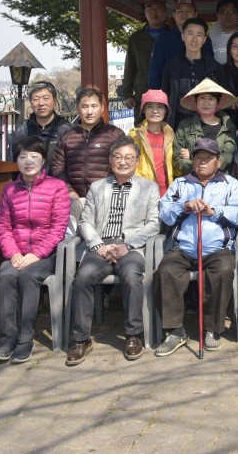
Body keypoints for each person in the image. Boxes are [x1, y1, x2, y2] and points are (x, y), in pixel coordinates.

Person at [65, 137, 161, 365]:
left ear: (137, 161)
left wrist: (126, 244)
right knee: (83, 277)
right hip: (101, 245)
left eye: (129, 157)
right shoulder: (98, 187)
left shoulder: (149, 187)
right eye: (117, 157)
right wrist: (99, 245)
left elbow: (154, 223)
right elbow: (85, 221)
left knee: (131, 275)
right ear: (110, 160)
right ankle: (81, 339)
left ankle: (133, 335)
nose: (123, 162)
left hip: (131, 246)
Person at [155, 139, 238, 356]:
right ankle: (175, 331)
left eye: (208, 158)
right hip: (184, 247)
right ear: (193, 160)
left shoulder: (231, 184)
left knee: (223, 270)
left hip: (218, 248)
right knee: (165, 271)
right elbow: (165, 214)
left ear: (218, 161)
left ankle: (213, 328)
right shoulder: (181, 183)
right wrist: (184, 206)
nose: (202, 162)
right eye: (198, 157)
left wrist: (215, 212)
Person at [0, 137, 70, 364]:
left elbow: (58, 228)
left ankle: (25, 340)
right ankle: (7, 339)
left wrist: (36, 254)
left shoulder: (57, 187)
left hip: (46, 253)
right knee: (6, 277)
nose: (28, 161)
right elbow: (3, 226)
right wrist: (13, 253)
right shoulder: (9, 189)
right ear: (16, 160)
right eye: (23, 156)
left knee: (28, 276)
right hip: (17, 252)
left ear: (43, 159)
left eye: (34, 156)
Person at [50, 86, 126, 215]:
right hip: (75, 200)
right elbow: (57, 168)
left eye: (94, 106)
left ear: (102, 108)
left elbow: (124, 166)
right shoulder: (67, 136)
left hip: (106, 198)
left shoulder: (115, 134)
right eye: (85, 106)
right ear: (77, 108)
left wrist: (109, 189)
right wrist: (69, 191)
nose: (89, 111)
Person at [161, 17, 222, 128]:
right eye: (190, 34)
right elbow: (164, 97)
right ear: (183, 36)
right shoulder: (171, 67)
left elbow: (222, 101)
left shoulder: (215, 68)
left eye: (199, 35)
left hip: (206, 126)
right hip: (177, 125)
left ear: (204, 39)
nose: (194, 40)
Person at [119, 0, 170, 121]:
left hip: (168, 93)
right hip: (143, 93)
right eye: (150, 9)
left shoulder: (174, 36)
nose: (154, 12)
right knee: (142, 133)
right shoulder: (136, 39)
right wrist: (127, 94)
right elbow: (130, 67)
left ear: (165, 13)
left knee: (169, 132)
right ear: (145, 13)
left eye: (158, 9)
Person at [147, 0, 214, 92]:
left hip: (199, 95)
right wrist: (155, 97)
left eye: (189, 11)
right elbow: (155, 71)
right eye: (180, 11)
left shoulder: (205, 40)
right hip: (170, 96)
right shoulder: (163, 40)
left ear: (196, 14)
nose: (184, 14)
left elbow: (210, 69)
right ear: (173, 14)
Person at [173, 79, 237, 176]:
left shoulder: (228, 126)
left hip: (221, 181)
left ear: (217, 102)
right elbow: (177, 158)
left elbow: (228, 156)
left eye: (211, 98)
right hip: (191, 180)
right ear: (196, 101)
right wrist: (196, 168)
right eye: (202, 98)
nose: (206, 103)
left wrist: (196, 161)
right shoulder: (185, 126)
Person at [10, 81, 72, 168]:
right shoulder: (22, 132)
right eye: (36, 99)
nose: (41, 103)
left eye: (46, 98)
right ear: (31, 102)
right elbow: (12, 165)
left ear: (54, 100)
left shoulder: (67, 130)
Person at [128, 90, 175, 197]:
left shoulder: (171, 135)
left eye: (160, 107)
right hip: (142, 194)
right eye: (149, 106)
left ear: (166, 111)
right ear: (143, 110)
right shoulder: (134, 136)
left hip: (167, 194)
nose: (155, 111)